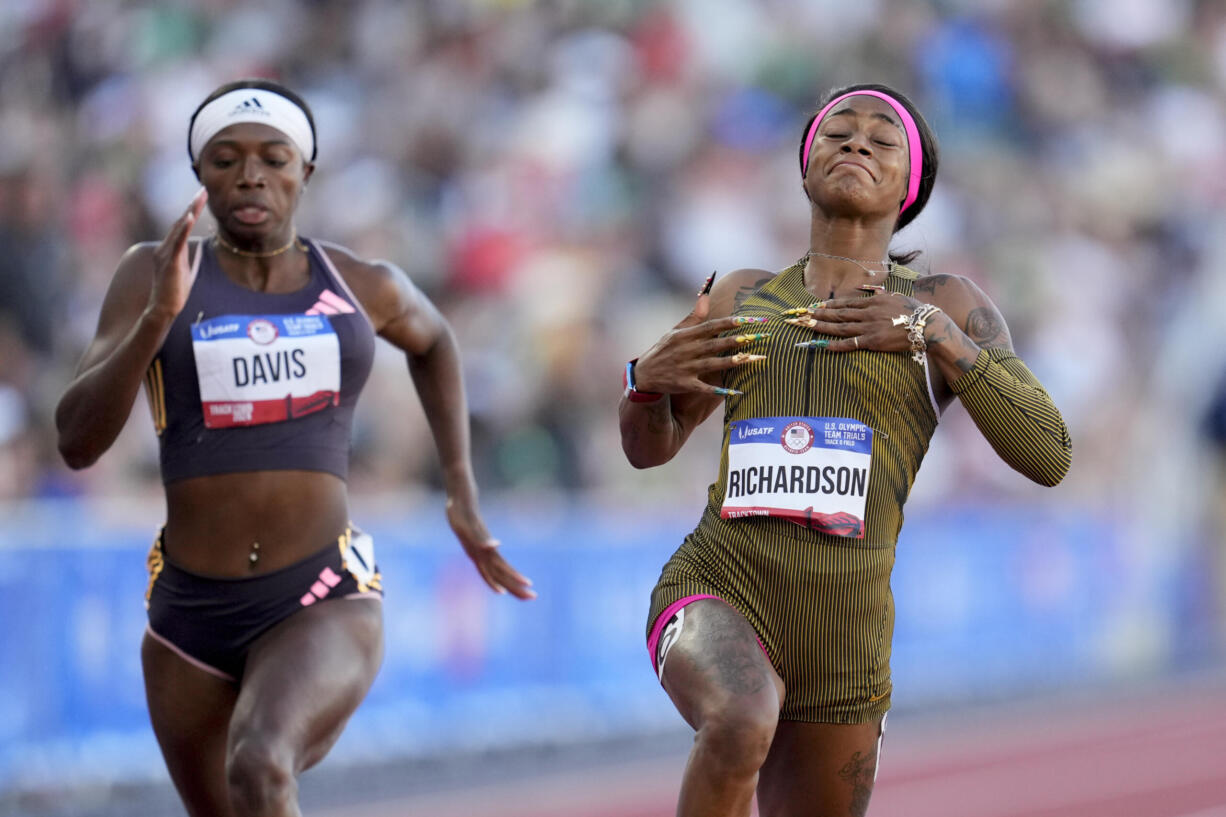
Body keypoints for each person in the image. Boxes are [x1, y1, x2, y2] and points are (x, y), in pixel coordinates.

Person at [55, 78, 535, 817]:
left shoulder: (357, 282)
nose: (250, 174)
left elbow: (435, 339)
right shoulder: (151, 273)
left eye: (273, 157)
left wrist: (461, 492)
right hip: (188, 614)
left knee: (262, 762)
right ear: (199, 176)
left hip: (320, 592)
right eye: (225, 159)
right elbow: (76, 442)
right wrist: (157, 320)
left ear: (304, 172)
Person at [620, 83, 1072, 817]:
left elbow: (1048, 454)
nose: (856, 143)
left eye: (881, 140)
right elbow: (650, 447)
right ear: (804, 170)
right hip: (721, 584)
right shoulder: (743, 296)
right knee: (738, 719)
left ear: (911, 184)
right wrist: (644, 384)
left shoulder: (946, 302)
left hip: (846, 640)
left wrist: (936, 335)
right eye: (837, 134)